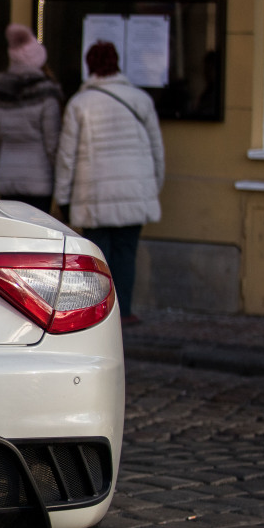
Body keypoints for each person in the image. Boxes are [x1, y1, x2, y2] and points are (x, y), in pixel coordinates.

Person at [55, 40, 165, 326]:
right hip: (133, 193)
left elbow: (66, 157)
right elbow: (157, 151)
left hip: (94, 196)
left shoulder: (79, 104)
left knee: (97, 262)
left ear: (89, 66)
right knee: (127, 255)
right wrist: (152, 187)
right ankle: (125, 311)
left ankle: (101, 318)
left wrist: (63, 198)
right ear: (117, 64)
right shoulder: (141, 100)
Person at [0, 23, 63, 213]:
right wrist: (59, 179)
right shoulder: (47, 96)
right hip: (39, 181)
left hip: (7, 179)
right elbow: (52, 145)